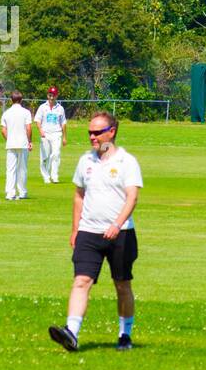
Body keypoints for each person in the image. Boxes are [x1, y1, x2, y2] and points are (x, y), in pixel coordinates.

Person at [48, 111, 143, 352]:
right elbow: (79, 196)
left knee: (122, 284)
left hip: (121, 234)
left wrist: (116, 224)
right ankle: (72, 333)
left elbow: (132, 197)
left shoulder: (127, 161)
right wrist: (75, 229)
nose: (92, 137)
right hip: (89, 232)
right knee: (81, 281)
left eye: (96, 132)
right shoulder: (85, 161)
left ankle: (125, 334)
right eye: (89, 132)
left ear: (111, 132)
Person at [0, 90, 33, 201]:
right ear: (21, 100)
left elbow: (3, 130)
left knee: (10, 169)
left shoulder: (6, 113)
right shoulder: (26, 112)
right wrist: (30, 141)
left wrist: (8, 139)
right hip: (23, 143)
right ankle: (22, 192)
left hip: (11, 144)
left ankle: (10, 193)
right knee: (22, 169)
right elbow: (28, 128)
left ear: (11, 100)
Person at [34, 86, 68, 184]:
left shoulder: (60, 108)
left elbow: (63, 123)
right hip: (45, 134)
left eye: (53, 95)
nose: (51, 97)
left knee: (56, 154)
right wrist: (40, 130)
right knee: (45, 156)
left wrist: (65, 137)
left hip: (57, 134)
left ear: (56, 95)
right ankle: (46, 176)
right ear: (47, 95)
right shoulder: (42, 107)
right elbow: (37, 120)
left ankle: (54, 176)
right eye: (50, 95)